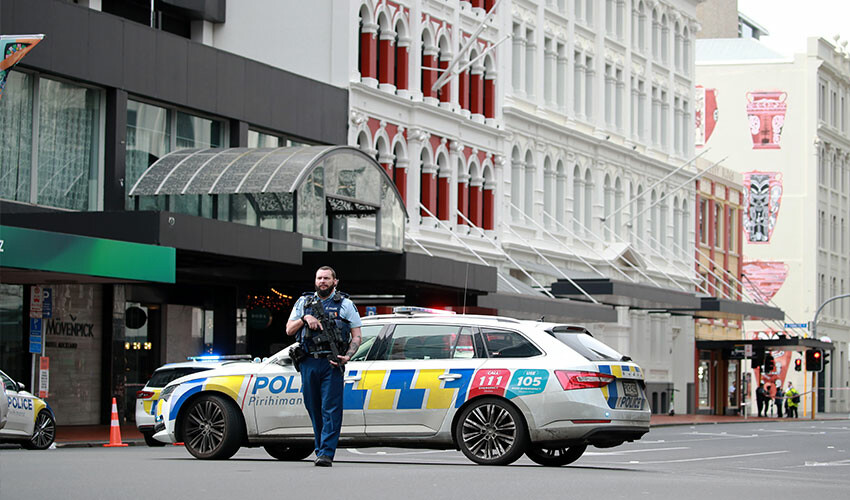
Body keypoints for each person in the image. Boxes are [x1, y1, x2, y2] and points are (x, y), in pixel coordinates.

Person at [286, 266, 362, 467]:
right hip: (308, 361)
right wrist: (305, 318)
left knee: (331, 408)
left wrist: (347, 356)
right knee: (313, 407)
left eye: (327, 278)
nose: (322, 281)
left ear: (335, 281)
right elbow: (288, 329)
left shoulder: (345, 304)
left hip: (331, 362)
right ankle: (320, 449)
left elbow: (357, 336)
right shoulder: (304, 302)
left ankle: (326, 453)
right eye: (319, 278)